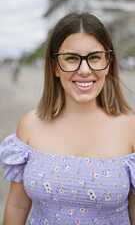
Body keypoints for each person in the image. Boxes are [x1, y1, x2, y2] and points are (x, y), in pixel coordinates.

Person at [0, 12, 135, 225]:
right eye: (72, 58)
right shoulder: (29, 126)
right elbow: (17, 207)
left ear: (108, 63)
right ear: (54, 66)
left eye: (94, 57)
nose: (84, 70)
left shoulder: (131, 130)